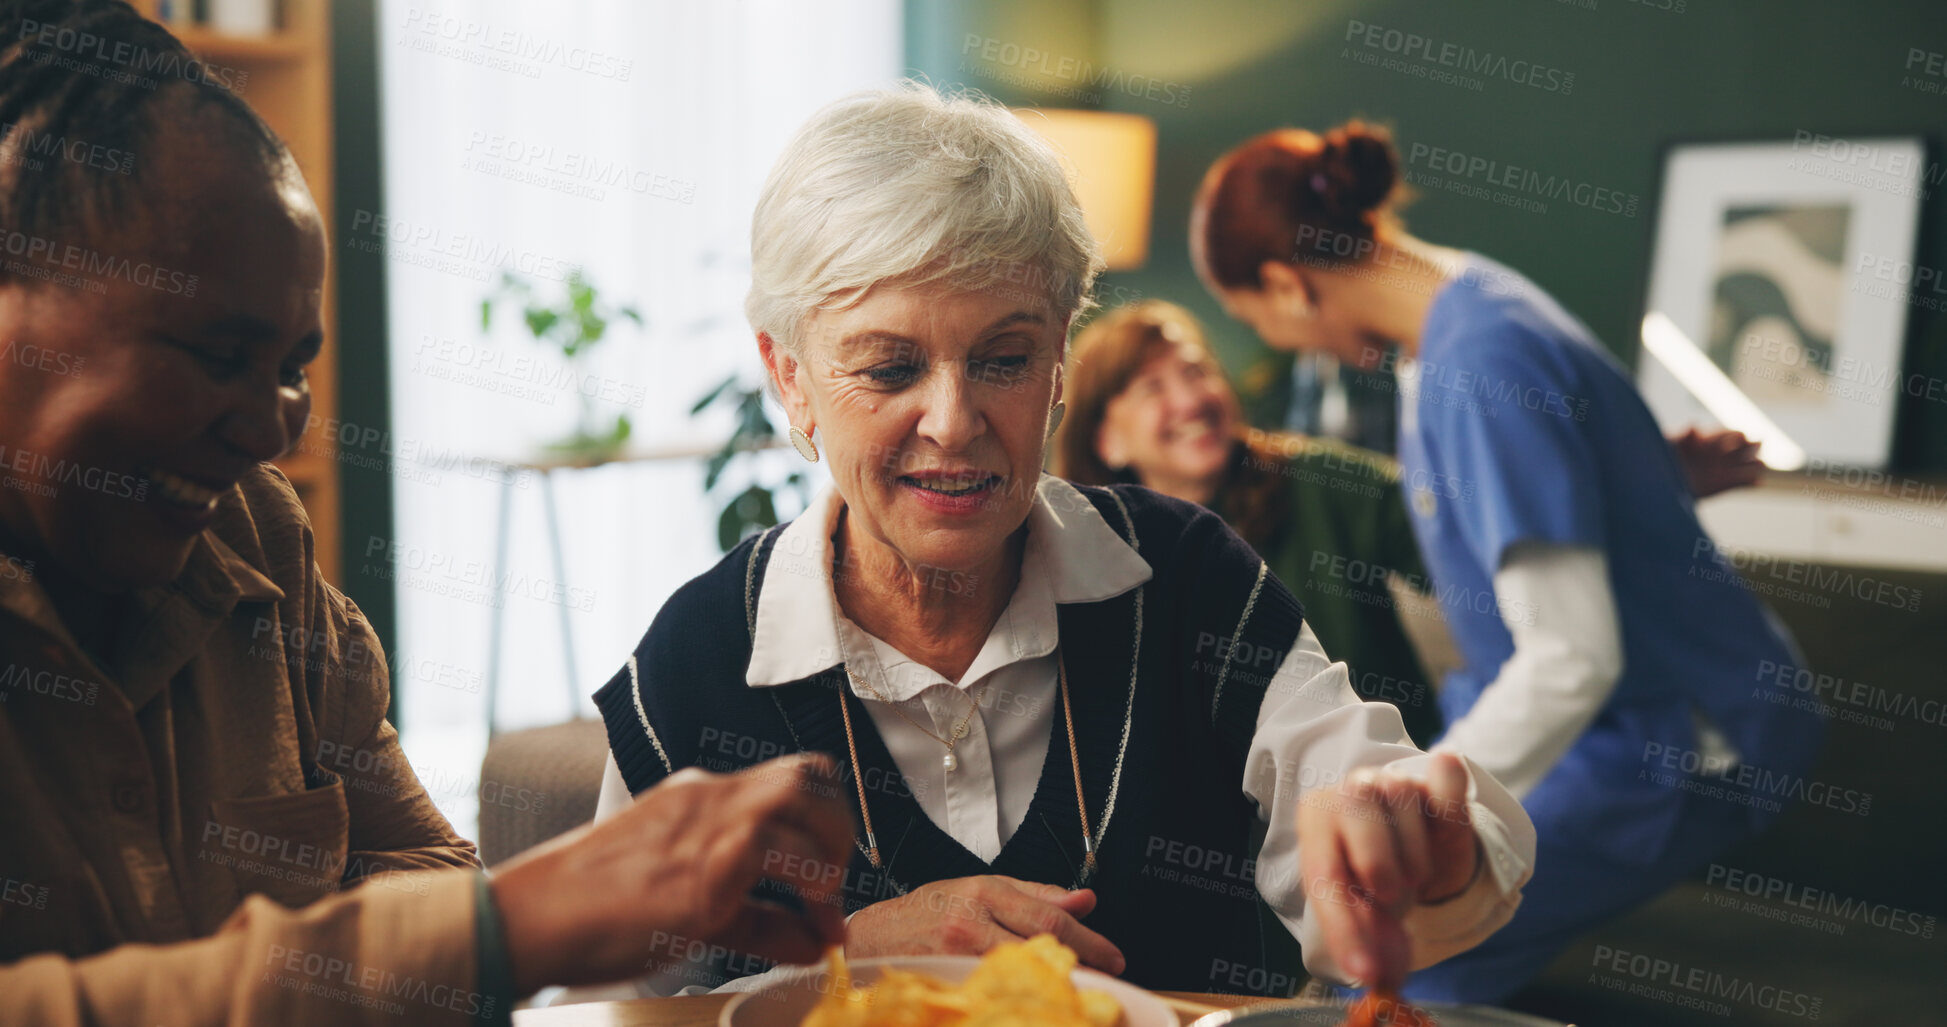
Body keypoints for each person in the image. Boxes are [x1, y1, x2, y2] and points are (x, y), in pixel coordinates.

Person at [0, 3, 852, 1024]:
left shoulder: (256, 539)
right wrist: (506, 926)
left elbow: (420, 859)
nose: (273, 432)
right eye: (220, 357)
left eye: (291, 369)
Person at [591, 83, 1536, 1001]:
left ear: (1058, 367)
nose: (954, 422)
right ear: (788, 376)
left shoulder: (1188, 578)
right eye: (889, 366)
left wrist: (1425, 842)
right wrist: (840, 958)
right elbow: (614, 997)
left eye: (1004, 358)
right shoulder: (698, 660)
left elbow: (1369, 806)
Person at [1189, 120, 1824, 1004]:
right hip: (1606, 716)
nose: (1298, 349)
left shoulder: (1478, 363)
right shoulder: (1462, 308)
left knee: (1388, 946)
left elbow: (1572, 657)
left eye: (1263, 325)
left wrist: (1408, 800)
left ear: (1285, 285)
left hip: (1674, 731)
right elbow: (1536, 483)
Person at [1052, 299, 1442, 747]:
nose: (1190, 401)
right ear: (1108, 440)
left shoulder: (1314, 480)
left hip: (1387, 784)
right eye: (1152, 388)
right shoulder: (1092, 571)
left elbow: (1464, 545)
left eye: (1196, 371)